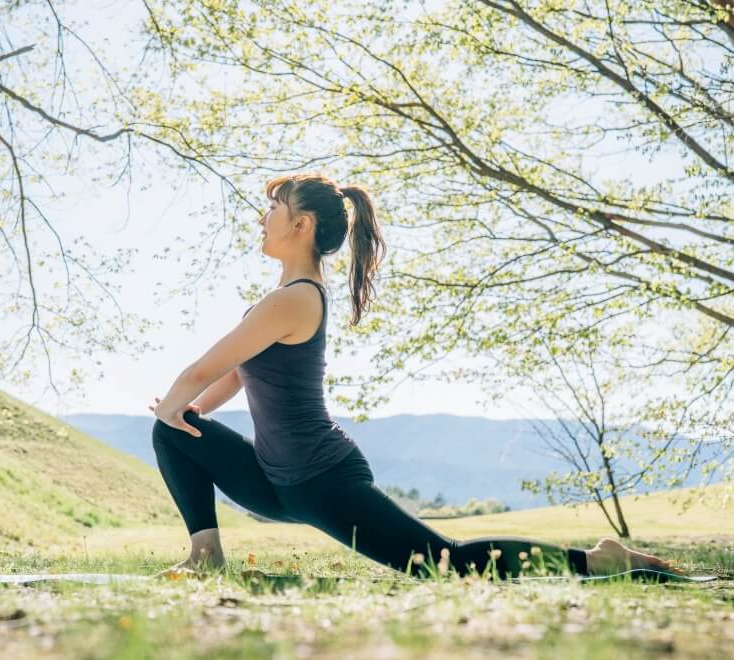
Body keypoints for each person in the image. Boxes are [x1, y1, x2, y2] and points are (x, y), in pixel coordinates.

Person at [148, 173, 684, 580]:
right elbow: (231, 380)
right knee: (171, 430)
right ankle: (206, 556)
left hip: (321, 481)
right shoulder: (277, 303)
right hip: (272, 481)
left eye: (274, 208)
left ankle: (598, 560)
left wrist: (177, 399)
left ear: (300, 225)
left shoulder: (295, 300)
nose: (262, 217)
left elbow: (203, 368)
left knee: (440, 563)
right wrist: (184, 413)